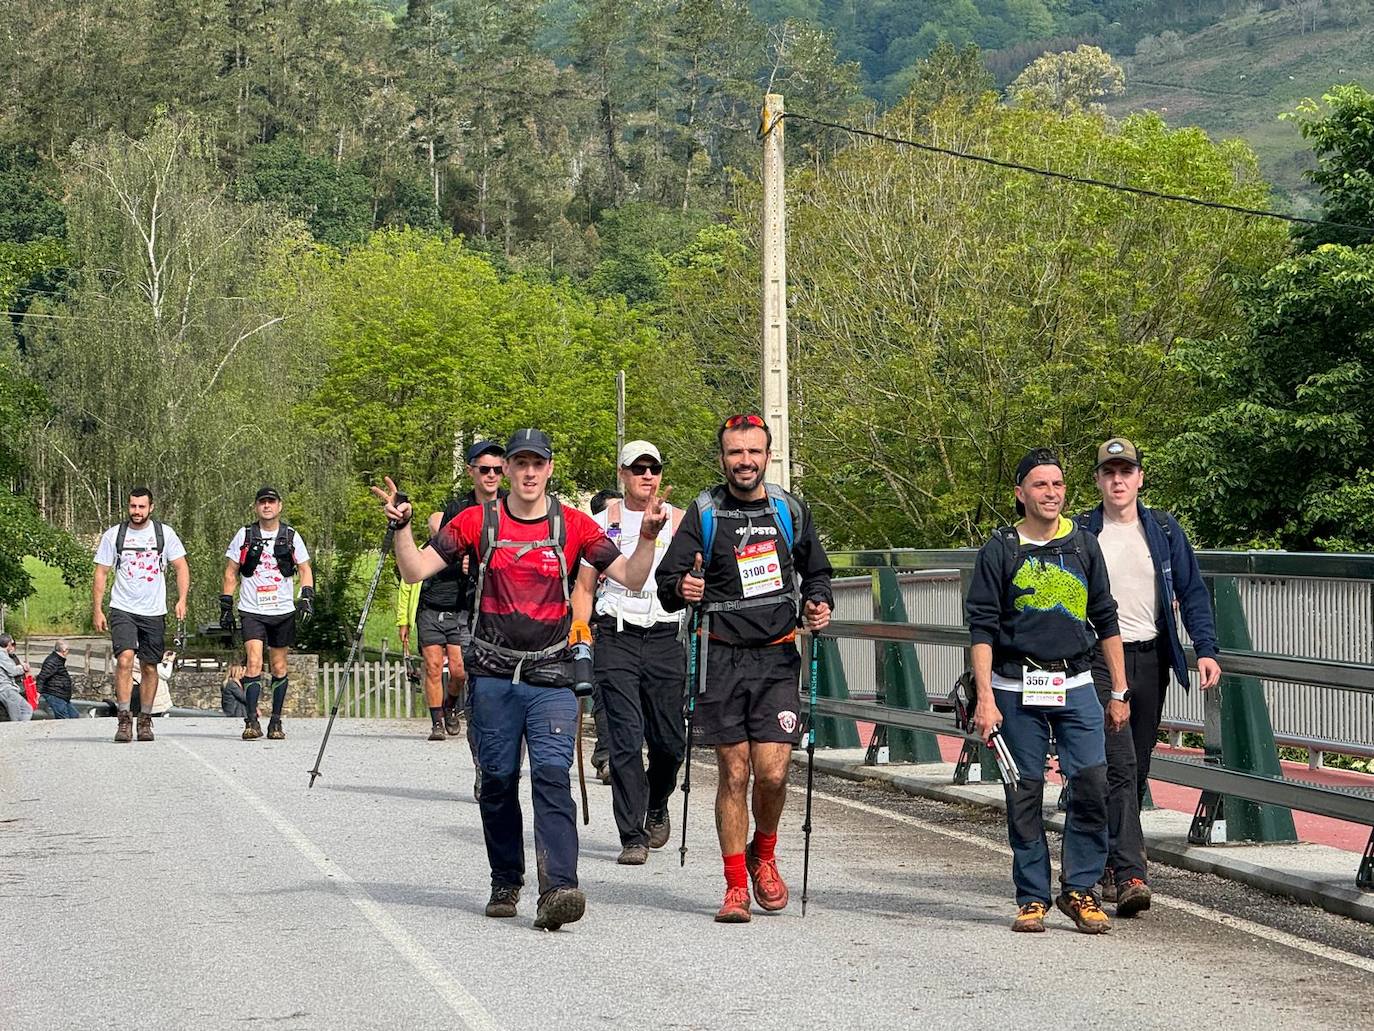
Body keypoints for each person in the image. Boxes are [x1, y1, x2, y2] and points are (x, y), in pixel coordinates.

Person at [372, 427, 668, 931]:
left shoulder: (574, 526)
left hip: (551, 672)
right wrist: (401, 527)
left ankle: (559, 888)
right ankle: (506, 878)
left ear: (549, 469)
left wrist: (646, 537)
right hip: (491, 673)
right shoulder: (474, 522)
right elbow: (416, 570)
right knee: (498, 781)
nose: (529, 473)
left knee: (553, 777)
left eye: (538, 464)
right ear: (506, 469)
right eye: (519, 463)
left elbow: (634, 578)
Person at [655, 413, 833, 923]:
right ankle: (735, 884)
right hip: (721, 659)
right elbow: (671, 580)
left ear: (767, 456)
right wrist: (681, 589)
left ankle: (765, 853)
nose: (745, 461)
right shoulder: (705, 512)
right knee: (734, 773)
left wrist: (818, 602)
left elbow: (816, 571)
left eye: (753, 452)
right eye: (735, 453)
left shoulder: (789, 510)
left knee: (773, 774)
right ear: (723, 459)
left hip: (777, 656)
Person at [964, 447, 1129, 935]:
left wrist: (1119, 690)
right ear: (1021, 493)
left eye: (1057, 485)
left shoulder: (1082, 545)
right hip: (1015, 687)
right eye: (1041, 485)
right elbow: (981, 629)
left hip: (1076, 683)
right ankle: (1032, 896)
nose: (1051, 493)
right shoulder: (1000, 550)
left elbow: (1105, 617)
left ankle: (1080, 889)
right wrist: (985, 698)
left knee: (1092, 783)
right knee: (1024, 792)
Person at [1076, 437, 1222, 916]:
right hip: (1098, 660)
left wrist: (1205, 649)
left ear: (1139, 478)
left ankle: (1100, 864)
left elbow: (1192, 590)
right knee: (1115, 764)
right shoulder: (1081, 533)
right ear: (1098, 480)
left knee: (1135, 765)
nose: (1117, 481)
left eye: (1126, 472)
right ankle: (1130, 870)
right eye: (1108, 473)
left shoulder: (1161, 529)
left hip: (1151, 658)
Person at [576, 443, 685, 865]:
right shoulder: (600, 524)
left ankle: (657, 801)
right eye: (637, 468)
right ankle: (632, 834)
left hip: (664, 638)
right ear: (622, 474)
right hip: (616, 636)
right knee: (623, 739)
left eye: (652, 468)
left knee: (669, 743)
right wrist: (580, 636)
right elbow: (584, 588)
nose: (646, 475)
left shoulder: (679, 522)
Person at [416, 440, 508, 745]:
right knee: (465, 673)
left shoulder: (513, 503)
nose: (492, 475)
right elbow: (438, 545)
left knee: (464, 674)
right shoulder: (459, 508)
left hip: (503, 602)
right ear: (471, 471)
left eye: (498, 469)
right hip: (462, 604)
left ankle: (459, 710)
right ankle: (448, 727)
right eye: (485, 469)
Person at [92, 486, 190, 743]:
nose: (137, 511)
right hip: (122, 607)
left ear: (151, 507)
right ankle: (124, 719)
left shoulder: (164, 534)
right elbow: (101, 572)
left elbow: (181, 567)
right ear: (128, 506)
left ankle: (145, 720)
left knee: (149, 666)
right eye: (133, 506)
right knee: (124, 660)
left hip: (154, 611)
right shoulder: (114, 535)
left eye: (141, 507)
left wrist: (182, 599)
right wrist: (98, 609)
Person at [221, 486, 313, 741]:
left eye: (271, 502)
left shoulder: (291, 535)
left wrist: (306, 596)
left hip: (282, 610)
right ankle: (251, 720)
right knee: (253, 662)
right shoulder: (244, 535)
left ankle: (275, 720)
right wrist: (226, 604)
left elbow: (304, 568)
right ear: (256, 506)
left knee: (279, 665)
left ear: (279, 506)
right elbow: (231, 571)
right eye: (262, 502)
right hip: (252, 609)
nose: (267, 506)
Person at [586, 487, 623, 784]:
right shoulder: (588, 545)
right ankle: (608, 756)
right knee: (603, 697)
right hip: (598, 629)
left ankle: (613, 753)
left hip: (634, 630)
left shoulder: (633, 544)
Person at [36, 639, 79, 718]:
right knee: (64, 718)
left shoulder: (58, 660)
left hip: (61, 695)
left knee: (74, 716)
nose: (68, 652)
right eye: (68, 649)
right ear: (64, 650)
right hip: (54, 695)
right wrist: (38, 692)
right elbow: (42, 677)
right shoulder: (52, 661)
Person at [0, 634, 34, 722]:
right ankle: (21, 732)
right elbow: (12, 671)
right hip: (6, 689)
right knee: (25, 710)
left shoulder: (6, 655)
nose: (13, 645)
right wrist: (23, 668)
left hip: (8, 689)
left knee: (20, 712)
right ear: (8, 644)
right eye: (12, 643)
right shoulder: (2, 655)